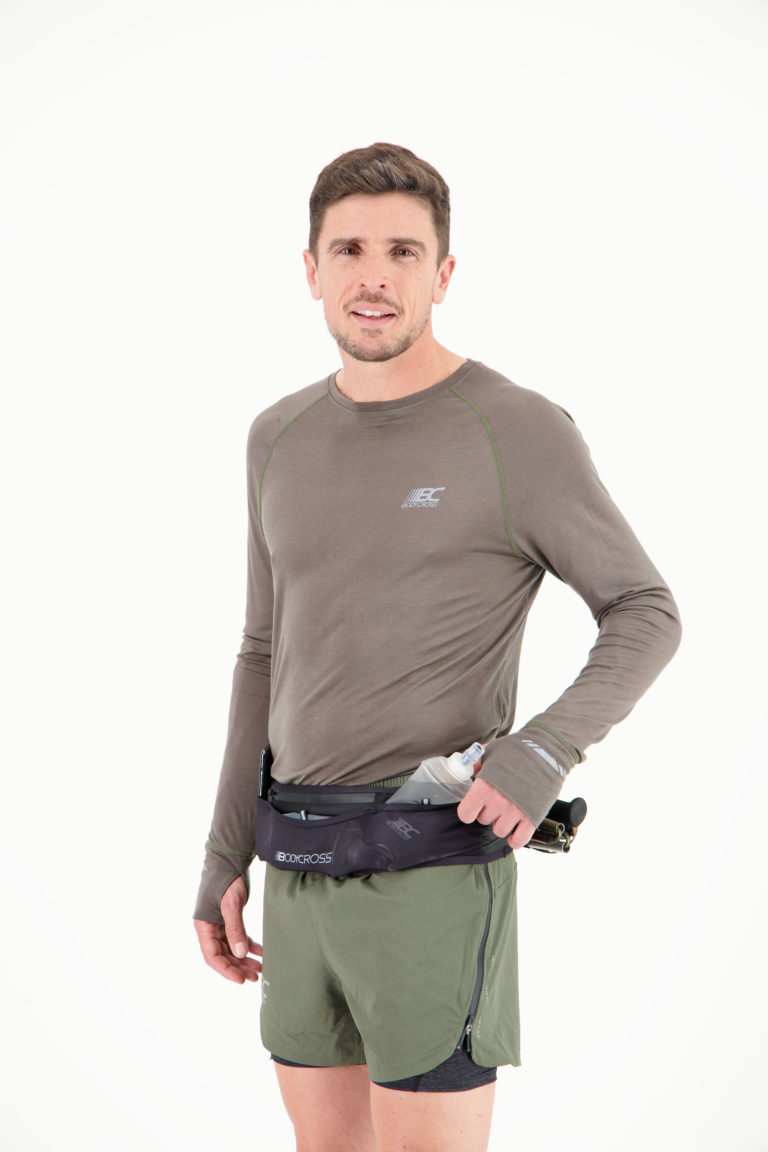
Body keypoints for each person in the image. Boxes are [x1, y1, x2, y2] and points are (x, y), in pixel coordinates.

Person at [193, 142, 681, 1152]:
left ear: (444, 274)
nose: (374, 276)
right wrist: (223, 852)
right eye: (350, 250)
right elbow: (262, 652)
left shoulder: (515, 429)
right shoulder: (277, 436)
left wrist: (542, 751)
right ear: (311, 269)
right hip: (297, 866)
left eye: (404, 252)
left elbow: (644, 608)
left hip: (432, 873)